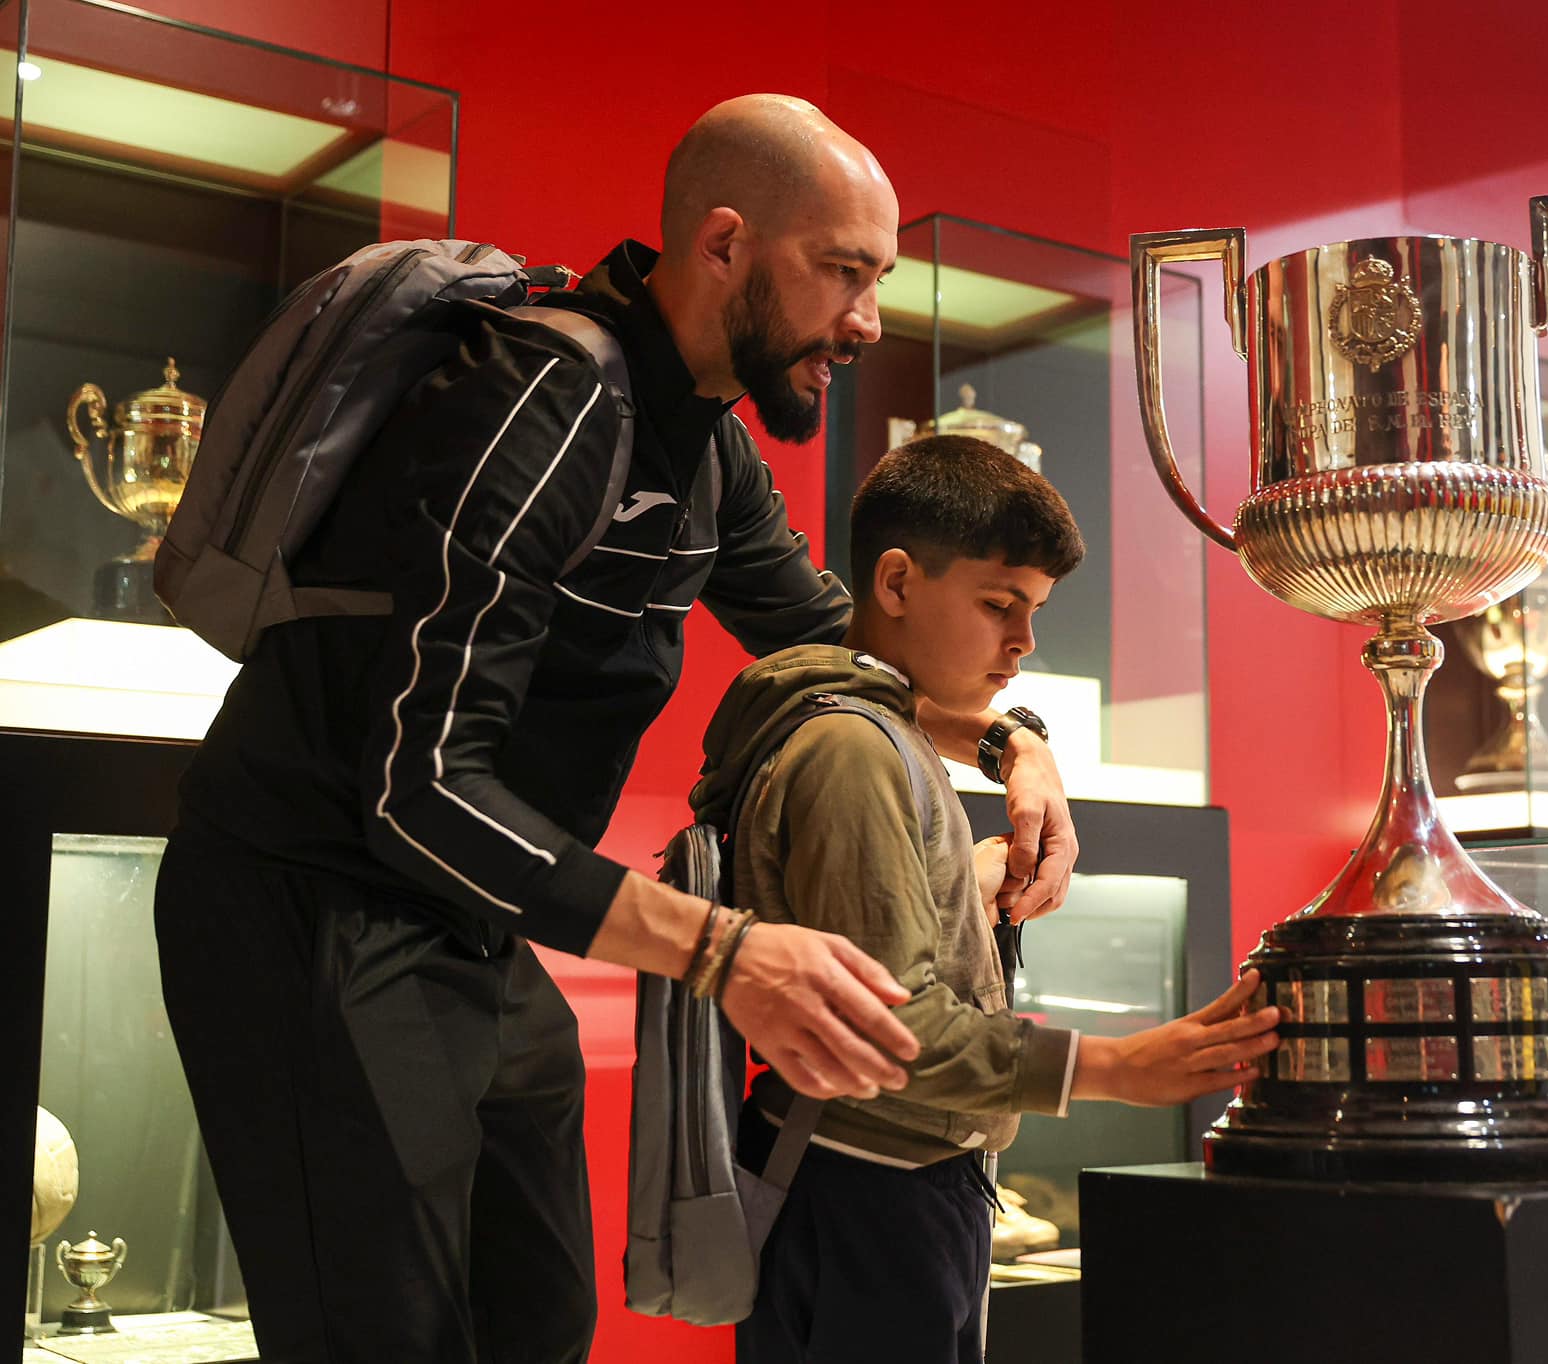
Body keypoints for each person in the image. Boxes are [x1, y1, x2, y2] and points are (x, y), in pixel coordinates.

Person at [151, 95, 1080, 1363]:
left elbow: (840, 643)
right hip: (310, 904)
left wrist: (1011, 744)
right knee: (388, 1336)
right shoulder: (538, 398)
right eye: (842, 272)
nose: (862, 322)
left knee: (538, 1322)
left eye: (876, 280)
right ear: (723, 245)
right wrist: (726, 952)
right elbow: (418, 785)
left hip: (469, 926)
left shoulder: (704, 446)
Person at [690, 435, 1280, 1363]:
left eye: (1035, 610)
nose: (1024, 641)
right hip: (862, 1191)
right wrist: (1113, 1067)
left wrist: (966, 878)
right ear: (894, 583)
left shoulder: (887, 731)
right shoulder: (851, 748)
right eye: (1000, 604)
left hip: (893, 1183)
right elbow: (888, 1028)